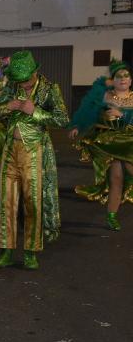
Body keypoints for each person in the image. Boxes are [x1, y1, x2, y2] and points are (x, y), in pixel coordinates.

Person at [0, 50, 69, 270]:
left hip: (34, 151)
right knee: (7, 203)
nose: (23, 84)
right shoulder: (11, 86)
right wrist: (8, 107)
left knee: (32, 203)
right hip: (9, 151)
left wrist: (37, 112)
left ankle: (31, 252)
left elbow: (62, 119)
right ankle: (5, 251)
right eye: (19, 81)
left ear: (35, 72)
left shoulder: (50, 89)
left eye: (26, 80)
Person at [68, 60, 133, 230]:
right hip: (109, 142)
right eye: (119, 76)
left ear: (131, 80)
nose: (123, 79)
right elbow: (87, 111)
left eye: (127, 76)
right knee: (116, 179)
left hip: (130, 142)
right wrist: (77, 126)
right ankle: (111, 215)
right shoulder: (105, 96)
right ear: (112, 80)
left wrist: (123, 115)